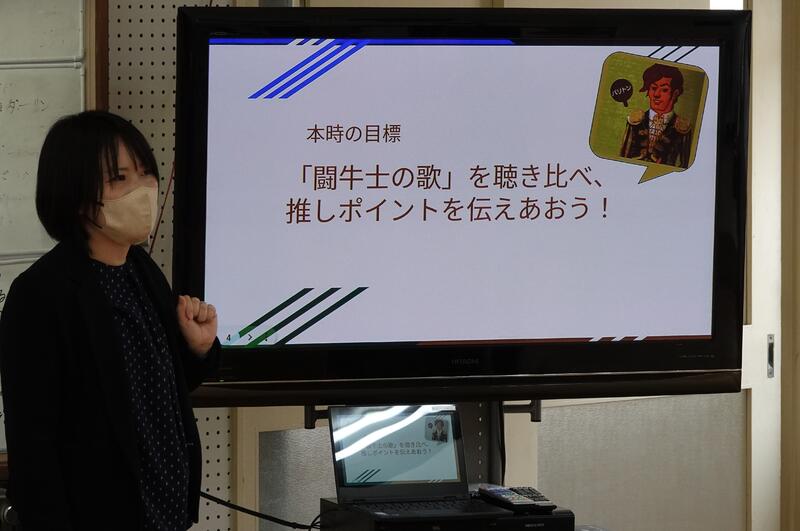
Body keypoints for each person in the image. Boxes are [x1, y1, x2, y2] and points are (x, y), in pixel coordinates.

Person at [0, 111, 220, 531]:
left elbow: (151, 389)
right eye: (119, 178)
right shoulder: (41, 295)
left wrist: (199, 348)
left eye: (146, 172)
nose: (143, 189)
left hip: (167, 511)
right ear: (76, 193)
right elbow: (33, 447)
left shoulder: (142, 270)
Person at [620, 63, 693, 168]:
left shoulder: (683, 128)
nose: (656, 94)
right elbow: (622, 158)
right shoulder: (635, 121)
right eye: (653, 88)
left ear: (675, 93)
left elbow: (685, 167)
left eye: (664, 90)